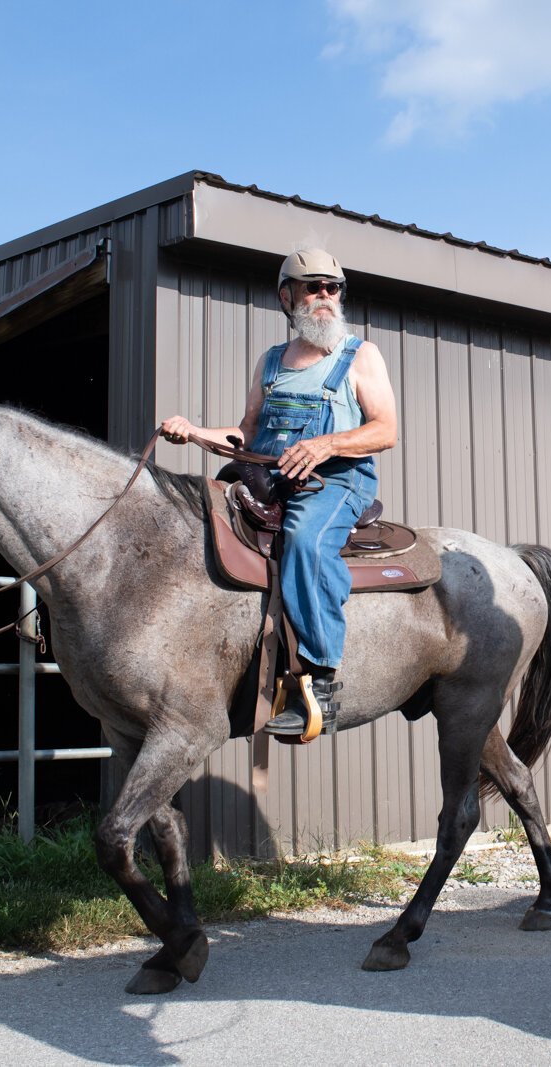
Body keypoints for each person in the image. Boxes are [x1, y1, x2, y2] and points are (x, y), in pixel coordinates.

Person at [160, 248, 399, 734]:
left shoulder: (361, 355)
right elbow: (247, 434)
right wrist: (195, 430)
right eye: (314, 288)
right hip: (268, 478)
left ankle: (319, 683)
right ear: (287, 297)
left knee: (308, 542)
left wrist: (326, 444)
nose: (326, 297)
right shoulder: (271, 363)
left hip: (336, 480)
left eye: (333, 289)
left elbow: (386, 430)